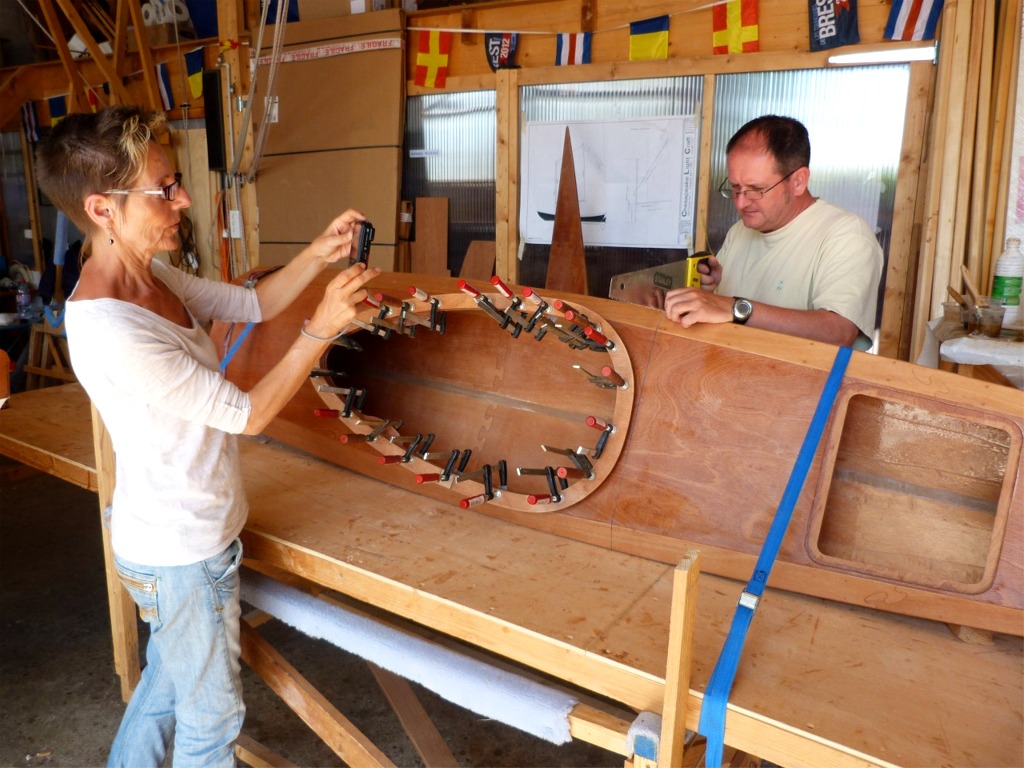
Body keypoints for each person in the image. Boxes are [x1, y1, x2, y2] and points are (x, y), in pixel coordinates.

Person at [34, 105, 380, 766]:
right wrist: (322, 329)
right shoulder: (113, 329)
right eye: (164, 190)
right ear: (103, 209)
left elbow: (249, 305)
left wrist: (318, 252)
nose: (183, 199)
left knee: (167, 691)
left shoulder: (149, 275)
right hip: (179, 553)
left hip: (184, 535)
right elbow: (245, 413)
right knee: (211, 723)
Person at [664, 115, 883, 349]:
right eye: (735, 188)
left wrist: (735, 308)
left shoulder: (847, 235)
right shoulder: (741, 231)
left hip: (802, 386)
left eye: (756, 190)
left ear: (798, 181)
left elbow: (839, 332)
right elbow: (721, 314)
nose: (740, 203)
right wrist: (711, 290)